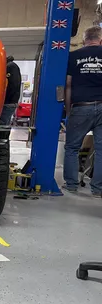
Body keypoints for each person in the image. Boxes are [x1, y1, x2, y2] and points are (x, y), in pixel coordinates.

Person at [64, 26, 102, 197]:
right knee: (101, 150)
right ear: (100, 40)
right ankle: (97, 189)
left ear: (84, 39)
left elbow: (68, 85)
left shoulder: (73, 56)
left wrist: (67, 109)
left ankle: (71, 185)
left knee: (72, 147)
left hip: (81, 106)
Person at [0, 56, 22, 125]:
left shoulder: (9, 67)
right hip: (11, 102)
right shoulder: (13, 66)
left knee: (2, 125)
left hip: (8, 102)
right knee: (5, 123)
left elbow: (9, 85)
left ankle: (2, 136)